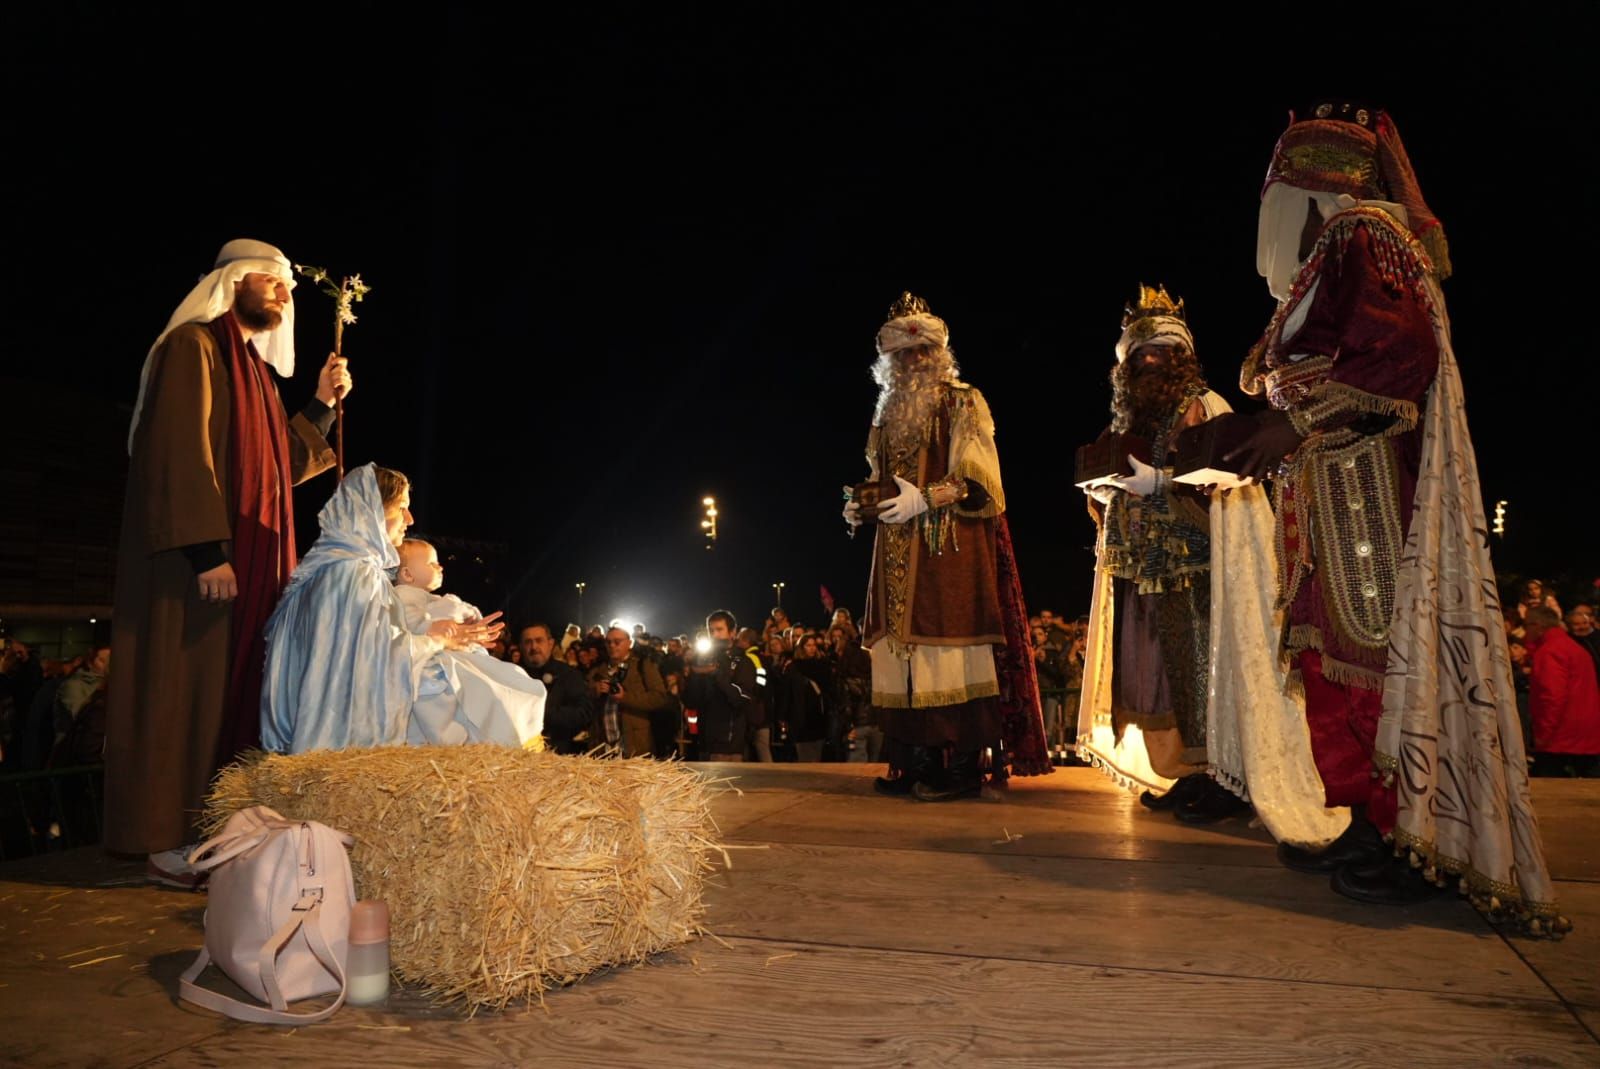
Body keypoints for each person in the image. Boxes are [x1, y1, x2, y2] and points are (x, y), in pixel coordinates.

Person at [1228, 103, 1564, 929]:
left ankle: (1409, 835)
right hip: (1331, 490)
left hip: (1365, 486)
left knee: (1372, 660)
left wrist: (1291, 420)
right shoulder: (1332, 259)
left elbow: (1399, 356)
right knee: (1332, 660)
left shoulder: (1360, 238)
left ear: (1308, 190)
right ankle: (1365, 821)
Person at [103, 239, 348, 881]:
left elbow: (273, 472)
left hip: (245, 576)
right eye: (270, 280)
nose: (283, 292)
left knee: (226, 705)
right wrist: (208, 551)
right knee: (181, 697)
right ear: (232, 280)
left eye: (287, 286)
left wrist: (321, 404)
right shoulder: (194, 348)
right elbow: (181, 452)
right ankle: (163, 837)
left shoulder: (257, 376)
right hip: (195, 573)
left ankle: (215, 834)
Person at [1076, 286, 1343, 844]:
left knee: (1205, 671)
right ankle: (1189, 773)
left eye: (1159, 350)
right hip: (1143, 567)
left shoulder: (1205, 405)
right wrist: (1106, 493)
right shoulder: (1127, 417)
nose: (1149, 360)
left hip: (1202, 566)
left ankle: (1225, 775)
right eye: (1138, 352)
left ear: (1181, 355)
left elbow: (1229, 477)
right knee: (1163, 680)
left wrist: (1163, 482)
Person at [843, 292, 1049, 801]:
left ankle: (959, 770)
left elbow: (980, 478)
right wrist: (859, 504)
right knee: (899, 656)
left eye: (922, 351)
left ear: (938, 352)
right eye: (903, 354)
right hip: (893, 553)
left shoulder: (963, 400)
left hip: (946, 547)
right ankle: (913, 764)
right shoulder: (885, 416)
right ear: (889, 362)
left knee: (948, 657)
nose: (914, 361)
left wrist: (927, 499)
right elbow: (877, 478)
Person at [260, 465, 503, 753]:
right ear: (372, 511)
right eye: (402, 508)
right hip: (336, 746)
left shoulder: (324, 570)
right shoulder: (357, 574)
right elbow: (377, 660)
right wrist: (438, 641)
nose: (409, 519)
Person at [392, 539, 544, 748]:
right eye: (432, 563)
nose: (440, 566)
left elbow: (453, 613)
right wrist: (434, 626)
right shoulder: (404, 595)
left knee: (493, 683)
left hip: (448, 655)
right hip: (430, 659)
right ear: (407, 574)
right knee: (439, 688)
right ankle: (450, 737)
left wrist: (469, 619)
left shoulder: (432, 599)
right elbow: (410, 622)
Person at [1523, 606, 1600, 778]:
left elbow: (1551, 697)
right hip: (1585, 733)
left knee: (1547, 792)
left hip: (1561, 737)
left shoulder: (1550, 651)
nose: (1525, 630)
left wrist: (1543, 734)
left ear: (1538, 625)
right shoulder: (1574, 648)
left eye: (1527, 625)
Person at [683, 610, 757, 761]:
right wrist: (693, 674)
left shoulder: (742, 661)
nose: (715, 635)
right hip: (704, 740)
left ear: (732, 632)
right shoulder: (704, 658)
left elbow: (742, 698)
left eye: (719, 629)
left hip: (728, 743)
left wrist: (717, 674)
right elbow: (691, 700)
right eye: (711, 630)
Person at [520, 623, 595, 754]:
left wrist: (541, 713)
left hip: (559, 755)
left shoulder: (569, 675)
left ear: (550, 643)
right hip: (518, 756)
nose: (534, 647)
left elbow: (583, 714)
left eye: (539, 640)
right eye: (528, 642)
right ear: (521, 646)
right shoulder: (513, 676)